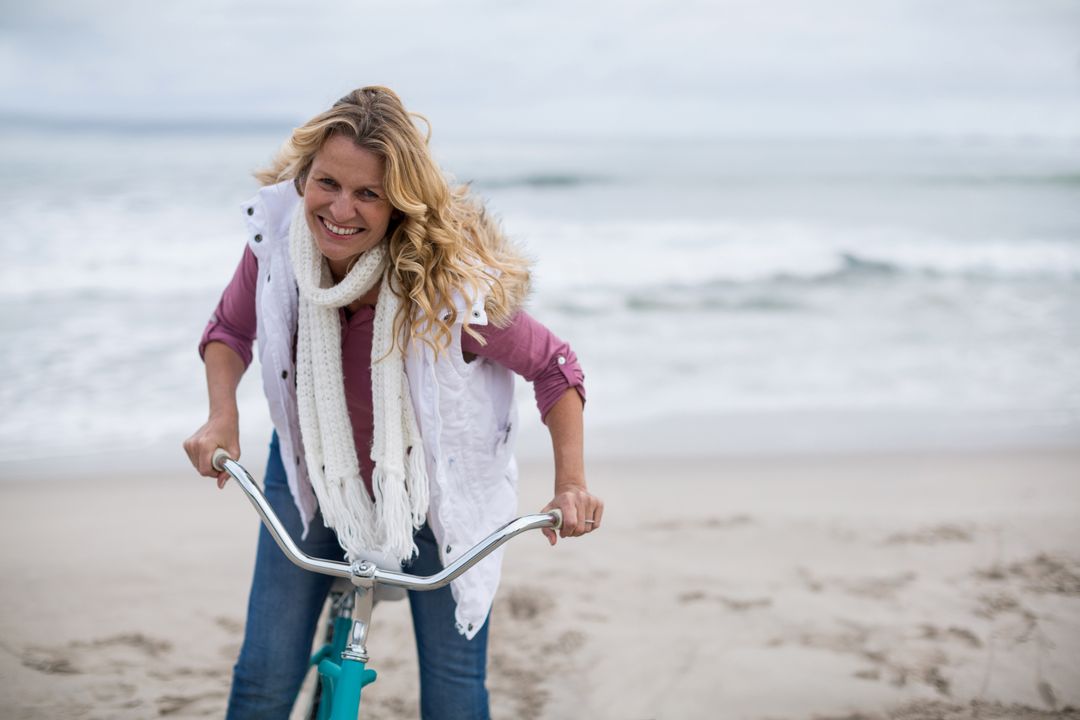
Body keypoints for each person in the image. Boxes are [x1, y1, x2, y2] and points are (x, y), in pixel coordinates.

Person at [182, 86, 602, 720]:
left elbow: (554, 367)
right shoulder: (279, 250)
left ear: (399, 202)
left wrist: (570, 484)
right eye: (327, 182)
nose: (340, 208)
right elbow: (228, 332)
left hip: (434, 490)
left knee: (456, 691)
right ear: (304, 179)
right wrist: (222, 415)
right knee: (263, 678)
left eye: (368, 193)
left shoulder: (447, 288)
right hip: (312, 472)